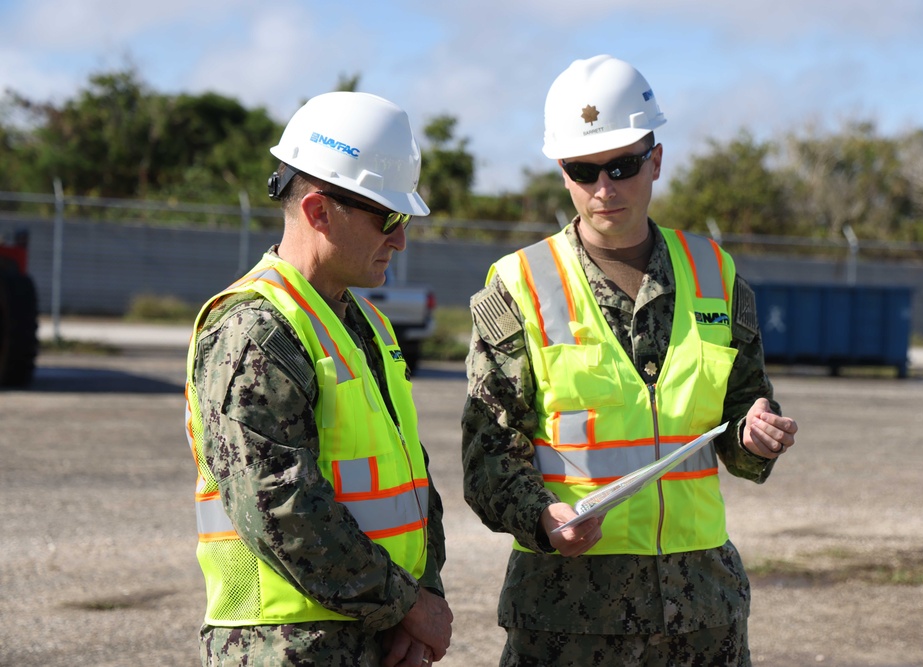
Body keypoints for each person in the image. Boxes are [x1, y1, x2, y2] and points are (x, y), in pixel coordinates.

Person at [461, 55, 798, 666]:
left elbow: (740, 426)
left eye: (622, 165)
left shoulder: (715, 276)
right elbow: (486, 459)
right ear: (561, 173)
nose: (604, 188)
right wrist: (541, 518)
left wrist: (759, 436)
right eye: (583, 170)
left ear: (657, 161)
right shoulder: (519, 286)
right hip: (568, 622)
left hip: (702, 618)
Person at [184, 91, 452, 667]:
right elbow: (277, 505)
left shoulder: (363, 322)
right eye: (389, 217)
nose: (401, 239)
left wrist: (423, 591)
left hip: (372, 636)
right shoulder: (255, 330)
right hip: (286, 646)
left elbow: (410, 479)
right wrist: (407, 604)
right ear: (319, 212)